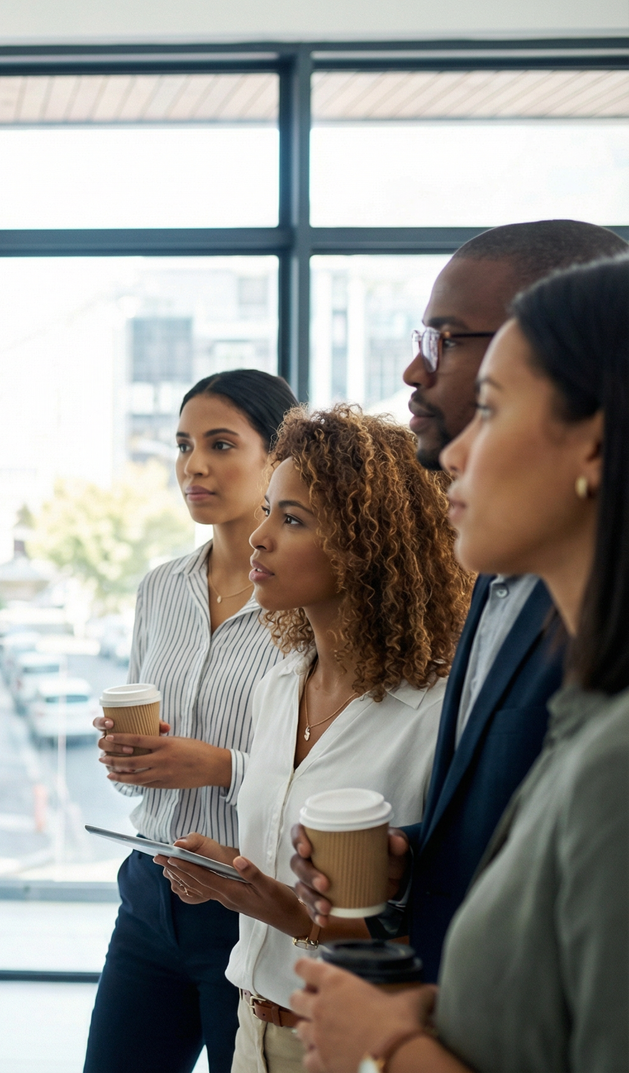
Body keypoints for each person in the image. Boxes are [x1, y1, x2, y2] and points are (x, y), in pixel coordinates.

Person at [291, 256, 629, 1073]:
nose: (454, 454)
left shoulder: (615, 760)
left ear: (593, 442)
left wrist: (384, 1048)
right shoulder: (586, 709)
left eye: (493, 407)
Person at [154, 407, 470, 1073]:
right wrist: (228, 872)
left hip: (354, 1044)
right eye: (269, 510)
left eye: (292, 520)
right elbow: (285, 854)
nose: (258, 537)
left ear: (367, 545)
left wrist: (290, 911)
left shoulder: (436, 712)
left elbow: (442, 917)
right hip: (250, 1027)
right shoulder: (279, 683)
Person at [86, 370, 299, 1073]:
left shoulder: (305, 599)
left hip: (248, 904)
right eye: (183, 445)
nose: (193, 465)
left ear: (277, 457)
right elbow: (139, 776)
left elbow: (327, 769)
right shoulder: (160, 588)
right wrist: (128, 759)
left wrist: (219, 767)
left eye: (220, 444)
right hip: (149, 893)